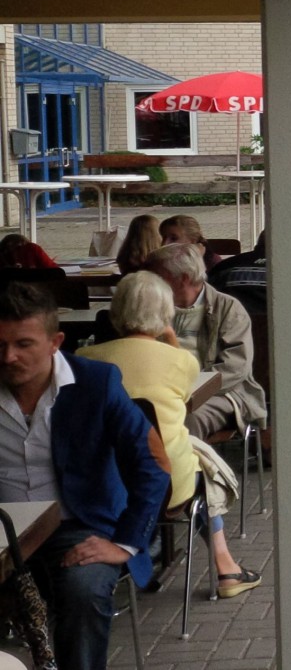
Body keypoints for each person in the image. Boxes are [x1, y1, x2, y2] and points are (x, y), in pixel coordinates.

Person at [0, 281, 169, 670]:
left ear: (55, 341)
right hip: (5, 528)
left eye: (23, 344)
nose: (8, 356)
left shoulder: (96, 383)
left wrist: (125, 543)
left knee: (83, 592)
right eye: (0, 344)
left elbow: (153, 465)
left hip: (77, 524)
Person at [76, 271, 261, 598]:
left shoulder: (84, 361)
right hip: (166, 487)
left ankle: (147, 549)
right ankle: (226, 567)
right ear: (166, 313)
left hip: (104, 485)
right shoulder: (179, 361)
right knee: (200, 464)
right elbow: (190, 387)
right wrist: (171, 339)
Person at [143, 244, 267, 439]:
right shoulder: (151, 307)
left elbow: (235, 368)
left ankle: (189, 469)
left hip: (221, 393)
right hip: (162, 390)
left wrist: (190, 392)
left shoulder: (227, 308)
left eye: (157, 277)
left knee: (187, 418)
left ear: (183, 278)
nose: (149, 283)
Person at [207, 230, 267, 316]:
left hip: (229, 325)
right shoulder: (290, 273)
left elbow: (207, 298)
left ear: (257, 245)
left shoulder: (225, 267)